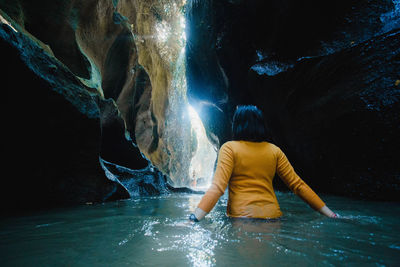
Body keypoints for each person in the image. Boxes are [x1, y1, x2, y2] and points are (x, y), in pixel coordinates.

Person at [189, 105, 336, 222]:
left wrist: (194, 218)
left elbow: (217, 188)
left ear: (237, 124)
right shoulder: (274, 150)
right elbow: (298, 186)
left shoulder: (229, 148)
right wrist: (330, 214)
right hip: (273, 217)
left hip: (241, 217)